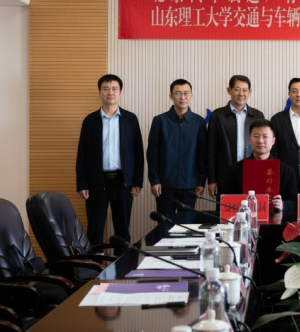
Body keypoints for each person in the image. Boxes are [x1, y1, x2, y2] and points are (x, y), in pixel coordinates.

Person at [76, 74, 144, 245]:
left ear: (120, 92)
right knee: (95, 228)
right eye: (106, 89)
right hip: (96, 182)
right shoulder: (90, 121)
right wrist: (82, 183)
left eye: (114, 89)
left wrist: (137, 181)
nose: (110, 92)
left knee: (123, 229)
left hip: (123, 181)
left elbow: (138, 152)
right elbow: (82, 154)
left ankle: (121, 262)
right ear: (100, 92)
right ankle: (96, 262)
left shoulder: (130, 119)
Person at [146, 79, 206, 221]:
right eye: (178, 93)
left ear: (191, 95)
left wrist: (201, 182)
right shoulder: (160, 121)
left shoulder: (198, 122)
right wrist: (154, 180)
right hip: (165, 185)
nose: (182, 97)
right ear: (171, 96)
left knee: (187, 225)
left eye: (186, 93)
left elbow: (202, 154)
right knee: (165, 225)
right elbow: (152, 154)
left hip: (190, 185)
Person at [206, 75, 264, 199]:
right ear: (229, 90)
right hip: (225, 175)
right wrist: (212, 179)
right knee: (226, 210)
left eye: (245, 90)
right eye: (237, 89)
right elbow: (211, 149)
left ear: (250, 92)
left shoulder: (258, 115)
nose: (241, 93)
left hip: (252, 174)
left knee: (252, 208)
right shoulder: (217, 116)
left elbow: (263, 147)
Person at [225, 119, 297, 216]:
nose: (260, 141)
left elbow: (294, 202)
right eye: (256, 136)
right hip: (244, 221)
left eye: (265, 136)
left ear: (273, 141)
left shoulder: (286, 171)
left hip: (276, 221)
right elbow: (226, 200)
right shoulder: (235, 170)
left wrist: (283, 205)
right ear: (249, 140)